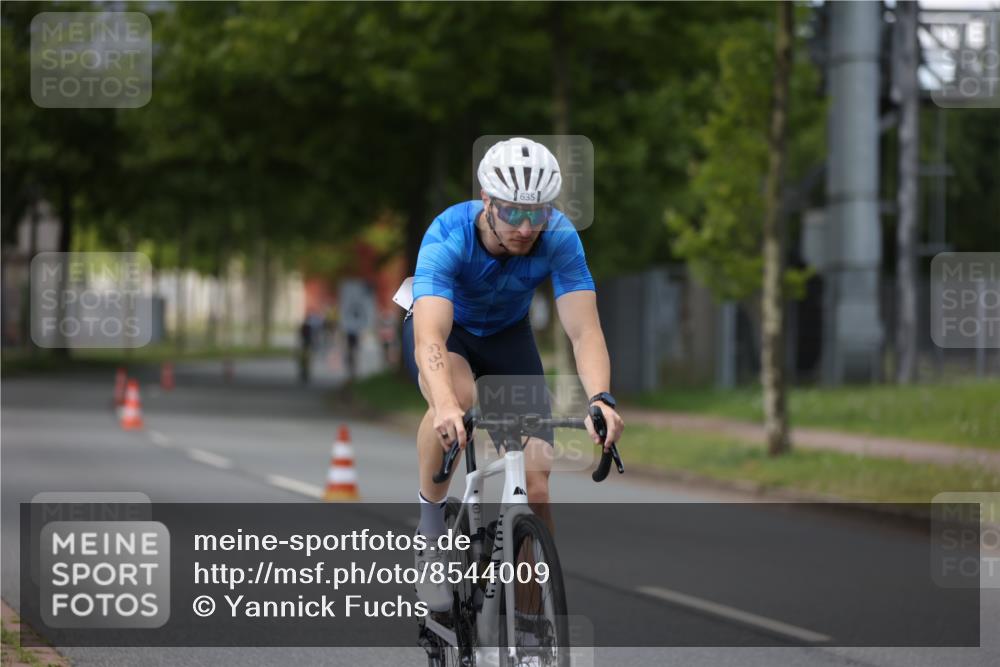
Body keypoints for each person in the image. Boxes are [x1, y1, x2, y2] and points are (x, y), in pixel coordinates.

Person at [401, 137, 625, 611]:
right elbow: (430, 341)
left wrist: (601, 398)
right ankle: (430, 531)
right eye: (513, 213)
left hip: (507, 339)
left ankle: (529, 630)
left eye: (537, 213)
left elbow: (585, 333)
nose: (526, 228)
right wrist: (443, 404)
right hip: (449, 334)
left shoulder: (559, 237)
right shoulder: (448, 234)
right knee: (457, 397)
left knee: (538, 488)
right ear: (487, 200)